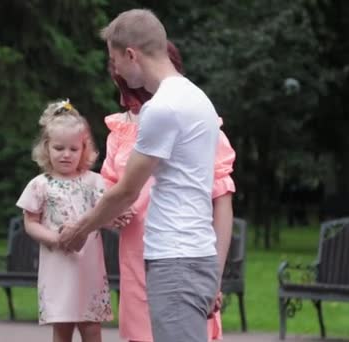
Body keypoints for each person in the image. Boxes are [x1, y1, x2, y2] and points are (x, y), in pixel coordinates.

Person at [59, 9, 234, 342]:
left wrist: (80, 230)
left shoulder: (162, 108)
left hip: (175, 262)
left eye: (115, 60)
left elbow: (126, 191)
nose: (116, 71)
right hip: (196, 257)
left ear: (131, 54)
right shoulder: (199, 99)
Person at [101, 40, 235, 342]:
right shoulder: (119, 133)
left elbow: (222, 202)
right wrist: (110, 217)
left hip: (183, 258)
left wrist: (214, 276)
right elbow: (109, 195)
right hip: (136, 261)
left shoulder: (193, 116)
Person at [16, 100, 120, 342]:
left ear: (85, 149)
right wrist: (54, 238)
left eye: (74, 149)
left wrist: (116, 218)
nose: (66, 155)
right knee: (62, 327)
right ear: (46, 147)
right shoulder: (40, 185)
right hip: (58, 265)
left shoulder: (95, 182)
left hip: (88, 267)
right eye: (59, 148)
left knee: (91, 326)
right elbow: (30, 222)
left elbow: (105, 216)